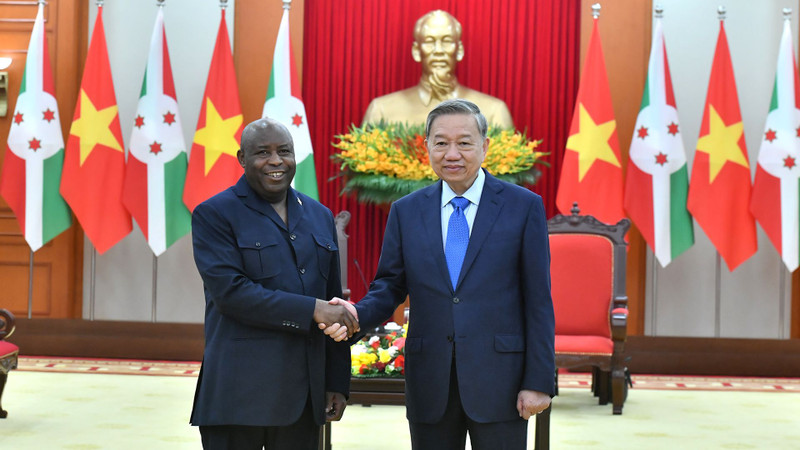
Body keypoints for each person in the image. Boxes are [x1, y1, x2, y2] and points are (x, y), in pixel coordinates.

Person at [326, 99, 554, 450]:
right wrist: (357, 314)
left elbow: (538, 299)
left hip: (500, 381)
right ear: (427, 146)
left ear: (485, 146)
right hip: (430, 379)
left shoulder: (522, 207)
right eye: (441, 142)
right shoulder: (407, 211)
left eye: (464, 142)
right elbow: (389, 285)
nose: (452, 153)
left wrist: (538, 380)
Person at [190, 117, 357, 450]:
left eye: (284, 151)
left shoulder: (319, 215)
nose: (276, 161)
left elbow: (333, 302)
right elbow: (231, 294)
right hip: (238, 398)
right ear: (242, 158)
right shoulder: (215, 214)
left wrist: (337, 381)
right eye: (262, 153)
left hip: (304, 400)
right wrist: (313, 309)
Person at [362, 10, 514, 128]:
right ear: (416, 51)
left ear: (459, 50)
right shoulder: (381, 110)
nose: (439, 50)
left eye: (447, 41)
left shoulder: (494, 112)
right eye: (429, 42)